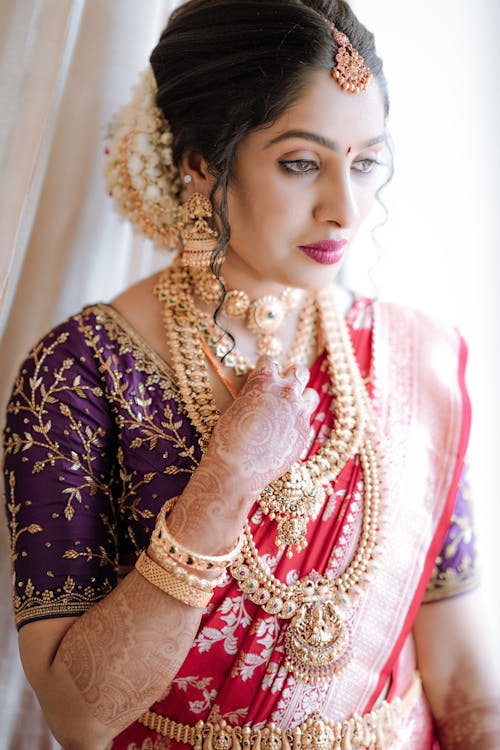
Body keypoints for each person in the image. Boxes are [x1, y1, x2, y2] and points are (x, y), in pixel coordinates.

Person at [3, 1, 499, 748]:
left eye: (366, 163)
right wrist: (225, 483)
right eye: (302, 163)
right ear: (201, 163)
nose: (346, 210)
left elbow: (465, 681)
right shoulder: (79, 377)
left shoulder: (411, 361)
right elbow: (78, 716)